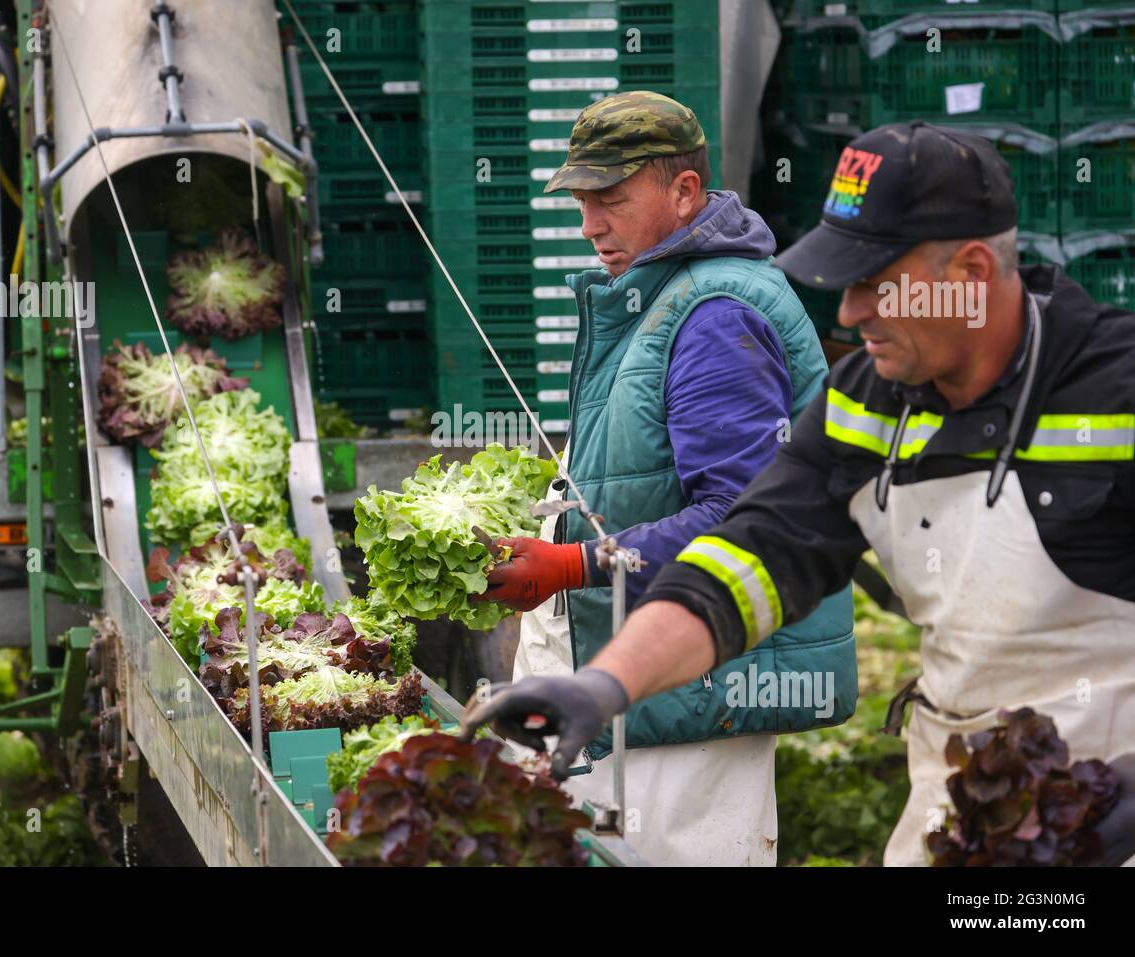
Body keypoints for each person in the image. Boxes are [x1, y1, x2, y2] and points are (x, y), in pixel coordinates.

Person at [463, 120, 1135, 866]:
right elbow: (748, 559)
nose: (848, 314)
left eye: (875, 284)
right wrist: (604, 686)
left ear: (971, 273)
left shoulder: (1116, 392)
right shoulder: (868, 403)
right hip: (962, 792)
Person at [476, 91, 856, 866]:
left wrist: (573, 563)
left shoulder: (717, 313)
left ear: (684, 192)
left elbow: (743, 520)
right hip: (638, 696)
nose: (590, 227)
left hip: (684, 703)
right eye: (583, 203)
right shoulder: (660, 296)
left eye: (611, 201)